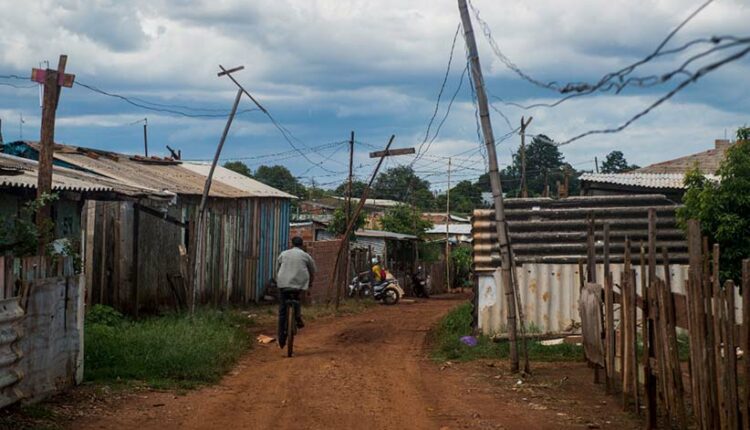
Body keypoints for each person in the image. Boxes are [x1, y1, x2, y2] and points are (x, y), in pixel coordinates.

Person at [276, 236, 317, 349]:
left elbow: (278, 268)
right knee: (297, 298)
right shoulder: (306, 256)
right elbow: (313, 270)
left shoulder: (284, 254)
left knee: (282, 311)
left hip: (283, 284)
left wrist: (278, 280)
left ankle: (281, 338)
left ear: (291, 244)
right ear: (302, 245)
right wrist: (310, 283)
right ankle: (297, 317)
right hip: (299, 285)